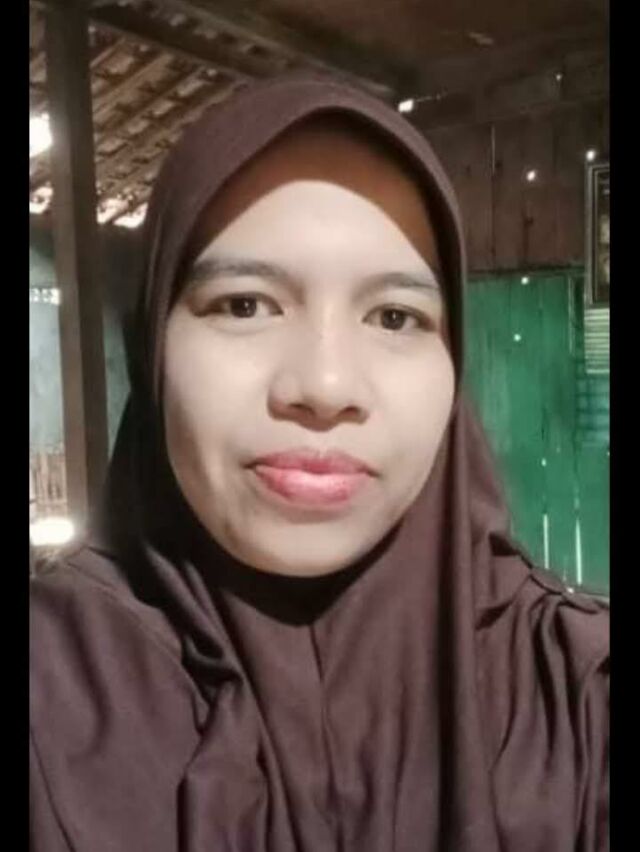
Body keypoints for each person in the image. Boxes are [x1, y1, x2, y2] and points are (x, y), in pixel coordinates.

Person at [30, 74, 609, 852]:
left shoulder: (581, 697)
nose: (326, 387)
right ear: (153, 350)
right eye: (244, 304)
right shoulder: (48, 691)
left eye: (395, 317)